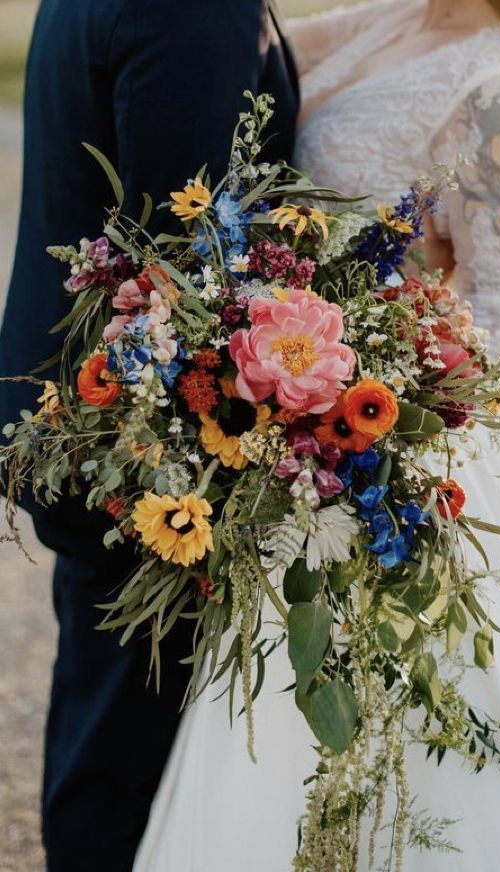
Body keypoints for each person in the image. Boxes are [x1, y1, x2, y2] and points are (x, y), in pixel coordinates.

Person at [131, 0, 500, 869]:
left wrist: (351, 409)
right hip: (300, 422)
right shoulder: (389, 20)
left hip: (396, 444)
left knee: (422, 706)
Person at [0, 1, 298, 869]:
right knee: (131, 757)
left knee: (104, 716)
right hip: (143, 442)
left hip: (86, 412)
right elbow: (184, 261)